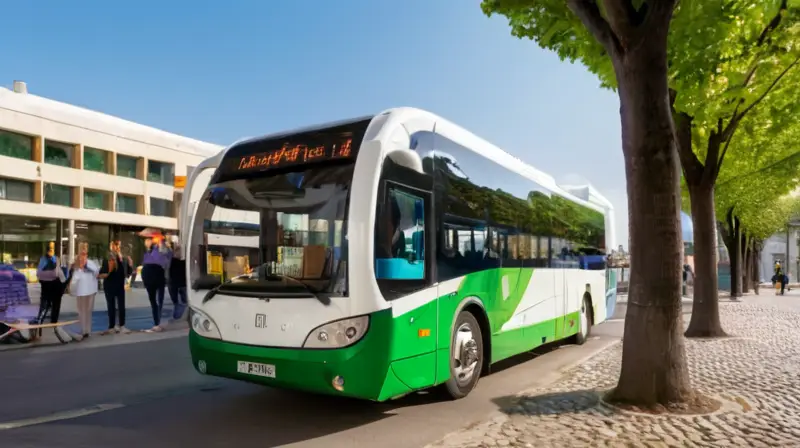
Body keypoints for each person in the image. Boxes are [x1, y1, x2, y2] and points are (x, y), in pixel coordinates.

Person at [98, 240, 133, 335]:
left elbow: (127, 273)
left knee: (121, 306)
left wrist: (130, 265)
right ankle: (112, 326)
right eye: (116, 245)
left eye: (119, 246)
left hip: (120, 285)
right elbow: (104, 271)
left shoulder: (122, 258)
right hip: (110, 285)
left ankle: (121, 325)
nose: (118, 247)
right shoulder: (109, 257)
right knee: (111, 306)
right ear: (112, 246)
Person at [142, 236, 172, 332]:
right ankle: (158, 322)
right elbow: (167, 262)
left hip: (152, 274)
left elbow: (167, 261)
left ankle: (157, 322)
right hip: (155, 274)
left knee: (155, 301)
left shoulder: (152, 252)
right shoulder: (154, 251)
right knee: (158, 300)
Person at [69, 251, 99, 340]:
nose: (83, 257)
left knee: (88, 311)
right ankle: (83, 330)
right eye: (81, 255)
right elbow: (74, 279)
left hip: (90, 291)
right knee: (81, 312)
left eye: (84, 255)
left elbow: (97, 272)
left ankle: (87, 331)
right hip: (81, 293)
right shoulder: (77, 266)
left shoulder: (91, 264)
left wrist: (87, 267)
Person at [36, 241, 66, 323]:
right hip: (52, 283)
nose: (51, 250)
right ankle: (50, 320)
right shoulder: (51, 259)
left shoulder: (52, 259)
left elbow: (39, 273)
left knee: (47, 303)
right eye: (50, 248)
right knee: (49, 303)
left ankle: (42, 319)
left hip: (50, 283)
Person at [168, 243, 188, 323]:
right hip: (180, 285)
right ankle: (177, 318)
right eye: (179, 252)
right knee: (183, 303)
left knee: (178, 303)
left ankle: (176, 317)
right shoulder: (179, 263)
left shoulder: (172, 262)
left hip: (175, 285)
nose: (180, 254)